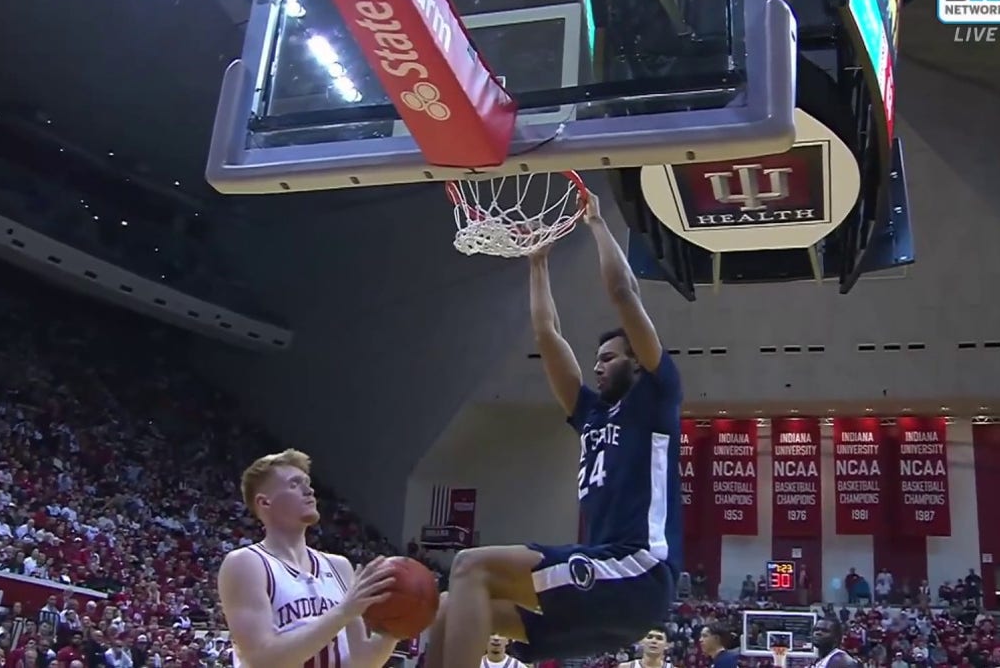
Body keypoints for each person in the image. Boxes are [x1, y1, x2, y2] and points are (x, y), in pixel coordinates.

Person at [427, 191, 682, 668]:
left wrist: (598, 224)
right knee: (453, 603)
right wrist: (538, 261)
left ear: (637, 363)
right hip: (605, 590)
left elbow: (624, 293)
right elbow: (547, 334)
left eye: (609, 358)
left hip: (637, 569)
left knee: (469, 565)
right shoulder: (590, 414)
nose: (598, 367)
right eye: (596, 360)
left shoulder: (656, 397)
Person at [216, 448, 399, 668]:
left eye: (308, 483)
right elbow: (261, 660)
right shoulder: (246, 563)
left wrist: (395, 628)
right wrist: (344, 611)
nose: (309, 491)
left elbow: (362, 661)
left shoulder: (339, 566)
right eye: (295, 485)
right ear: (265, 503)